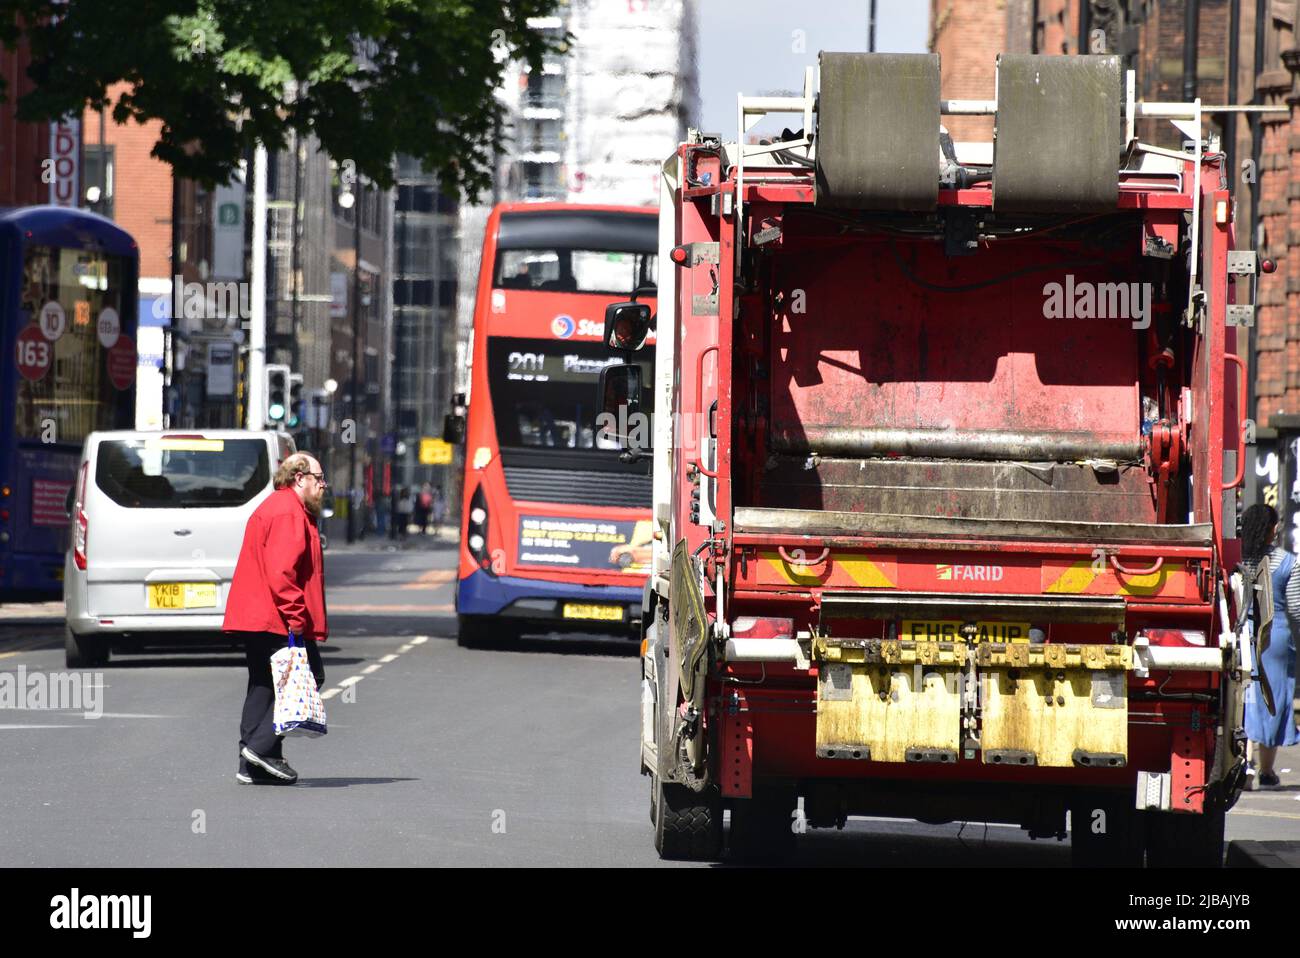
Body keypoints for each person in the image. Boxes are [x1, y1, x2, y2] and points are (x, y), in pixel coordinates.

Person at [223, 452, 328, 785]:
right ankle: (262, 749)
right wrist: (297, 615)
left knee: (263, 686)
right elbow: (282, 572)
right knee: (308, 674)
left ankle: (250, 764)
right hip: (277, 617)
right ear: (300, 478)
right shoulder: (288, 512)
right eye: (319, 478)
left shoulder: (279, 507)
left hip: (260, 615)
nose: (323, 486)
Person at [1238, 503, 1300, 788]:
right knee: (1271, 699)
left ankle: (1245, 762)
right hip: (1275, 637)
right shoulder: (1287, 562)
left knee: (1245, 696)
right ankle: (1267, 770)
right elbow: (1297, 608)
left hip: (1244, 633)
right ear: (1272, 529)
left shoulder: (1239, 560)